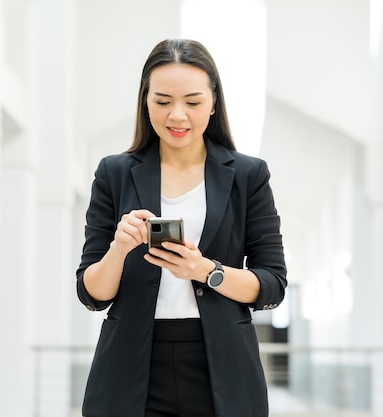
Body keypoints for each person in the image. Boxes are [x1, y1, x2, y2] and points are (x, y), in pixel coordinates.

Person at [76, 38, 287, 417]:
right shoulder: (114, 173)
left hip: (222, 368)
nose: (177, 115)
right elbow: (92, 294)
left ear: (213, 103)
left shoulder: (247, 175)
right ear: (145, 101)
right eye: (162, 101)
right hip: (130, 367)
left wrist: (205, 271)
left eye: (192, 102)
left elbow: (272, 284)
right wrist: (118, 250)